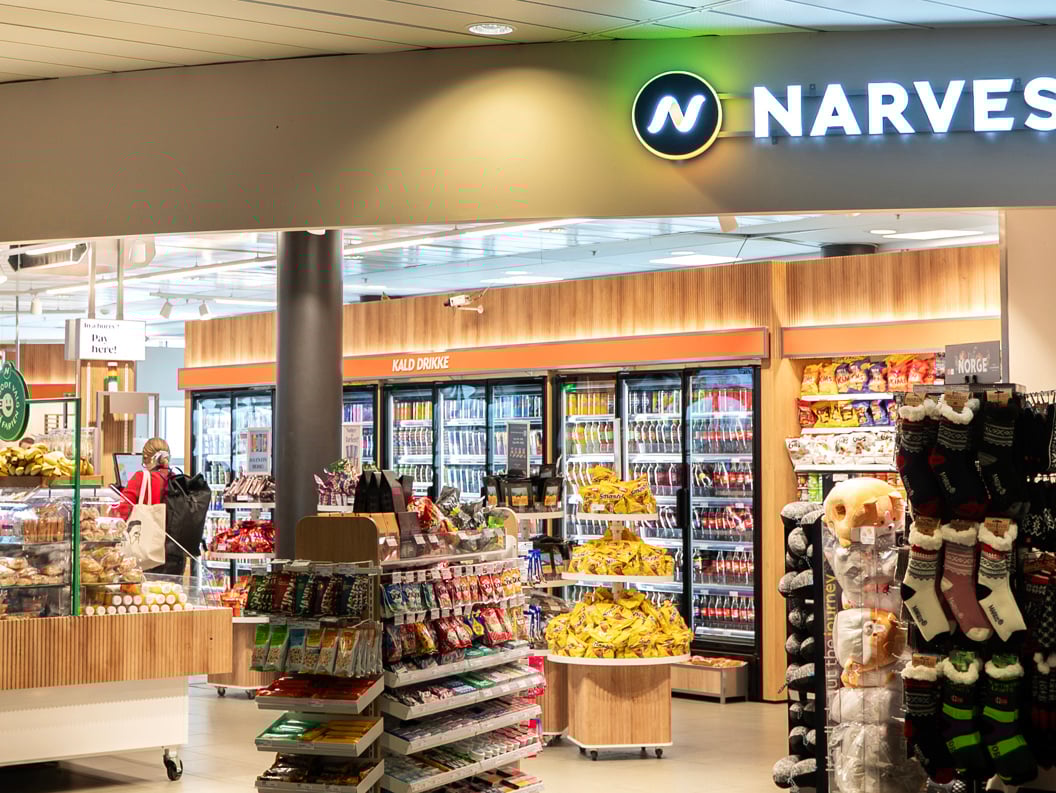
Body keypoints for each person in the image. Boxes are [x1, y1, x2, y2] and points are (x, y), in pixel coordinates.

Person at [116, 437, 171, 521]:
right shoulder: (175, 480)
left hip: (148, 529)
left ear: (145, 459)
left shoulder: (141, 477)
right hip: (172, 529)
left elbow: (121, 513)